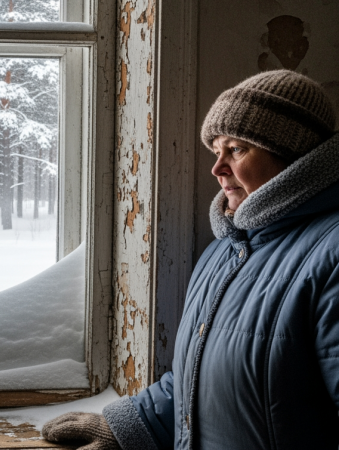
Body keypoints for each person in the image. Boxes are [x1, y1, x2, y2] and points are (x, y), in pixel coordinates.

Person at [42, 69, 339, 450]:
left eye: (236, 149)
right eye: (216, 151)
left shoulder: (331, 254)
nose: (217, 168)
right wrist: (132, 427)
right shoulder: (224, 252)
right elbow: (202, 379)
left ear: (296, 157)